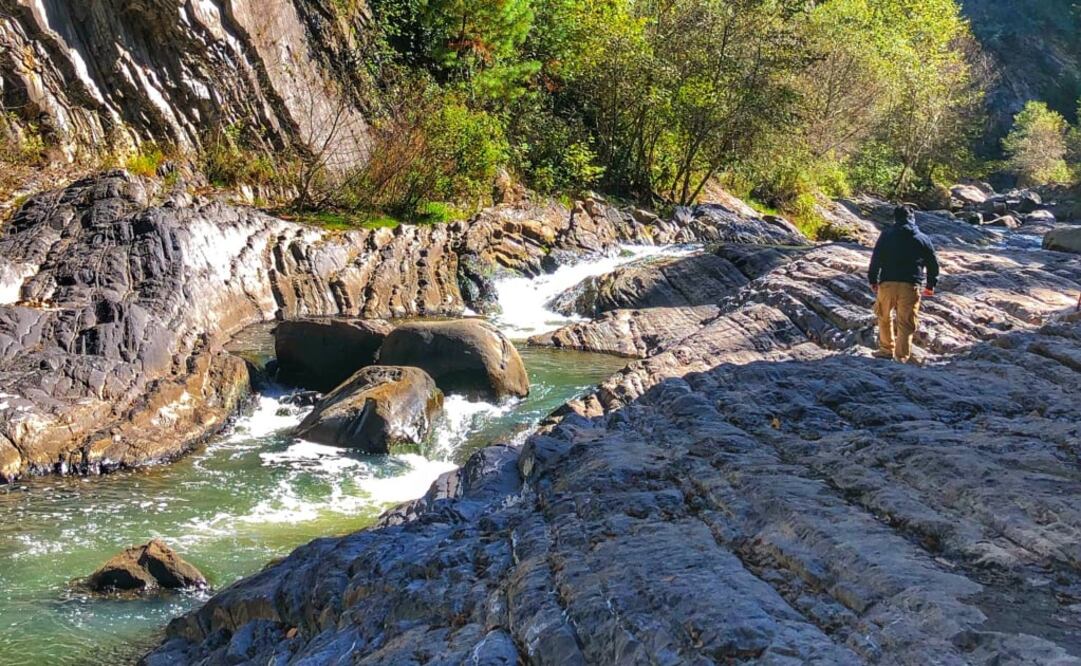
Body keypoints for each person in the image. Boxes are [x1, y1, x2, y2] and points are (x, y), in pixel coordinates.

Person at [868, 205, 940, 363]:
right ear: (912, 218)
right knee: (906, 323)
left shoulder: (886, 235)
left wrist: (872, 279)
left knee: (883, 317)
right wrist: (930, 284)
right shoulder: (922, 238)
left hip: (887, 283)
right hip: (910, 285)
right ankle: (901, 357)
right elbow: (933, 264)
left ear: (895, 218)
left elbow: (876, 258)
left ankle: (886, 350)